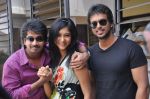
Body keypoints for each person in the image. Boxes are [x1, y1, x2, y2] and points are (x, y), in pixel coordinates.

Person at [87, 4, 149, 99]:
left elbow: (143, 87)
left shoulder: (131, 48)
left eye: (102, 22)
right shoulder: (90, 53)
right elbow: (91, 86)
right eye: (94, 24)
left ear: (111, 23)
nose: (98, 26)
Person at [38, 18, 92, 99]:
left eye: (67, 35)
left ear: (72, 36)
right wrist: (44, 79)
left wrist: (86, 53)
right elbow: (52, 95)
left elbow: (88, 94)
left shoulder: (76, 59)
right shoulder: (54, 59)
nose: (62, 40)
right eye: (58, 35)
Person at [2, 19, 52, 99]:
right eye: (31, 39)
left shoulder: (49, 51)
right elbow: (10, 95)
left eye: (39, 39)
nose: (35, 43)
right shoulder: (12, 64)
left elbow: (67, 44)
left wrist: (80, 50)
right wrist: (41, 82)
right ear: (24, 41)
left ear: (45, 41)